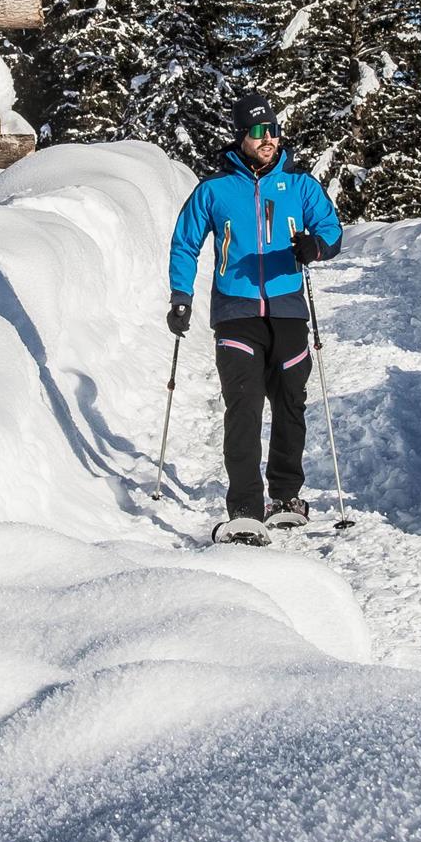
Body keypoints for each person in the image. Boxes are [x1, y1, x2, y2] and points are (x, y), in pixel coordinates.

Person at [168, 90, 344, 545]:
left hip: (287, 308)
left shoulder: (300, 184)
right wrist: (180, 296)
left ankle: (286, 497)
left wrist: (316, 246)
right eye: (259, 131)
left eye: (273, 130)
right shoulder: (213, 190)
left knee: (290, 401)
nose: (269, 138)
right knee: (243, 407)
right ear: (242, 135)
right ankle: (245, 507)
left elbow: (331, 229)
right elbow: (185, 243)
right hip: (235, 310)